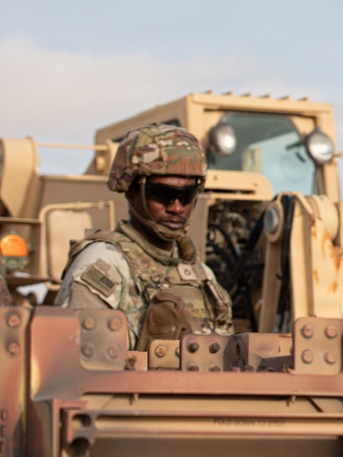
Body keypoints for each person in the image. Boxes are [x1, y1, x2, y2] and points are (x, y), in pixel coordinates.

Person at [56, 123, 233, 350]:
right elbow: (76, 356)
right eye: (163, 194)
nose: (177, 208)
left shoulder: (201, 275)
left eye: (186, 195)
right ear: (131, 192)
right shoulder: (104, 264)